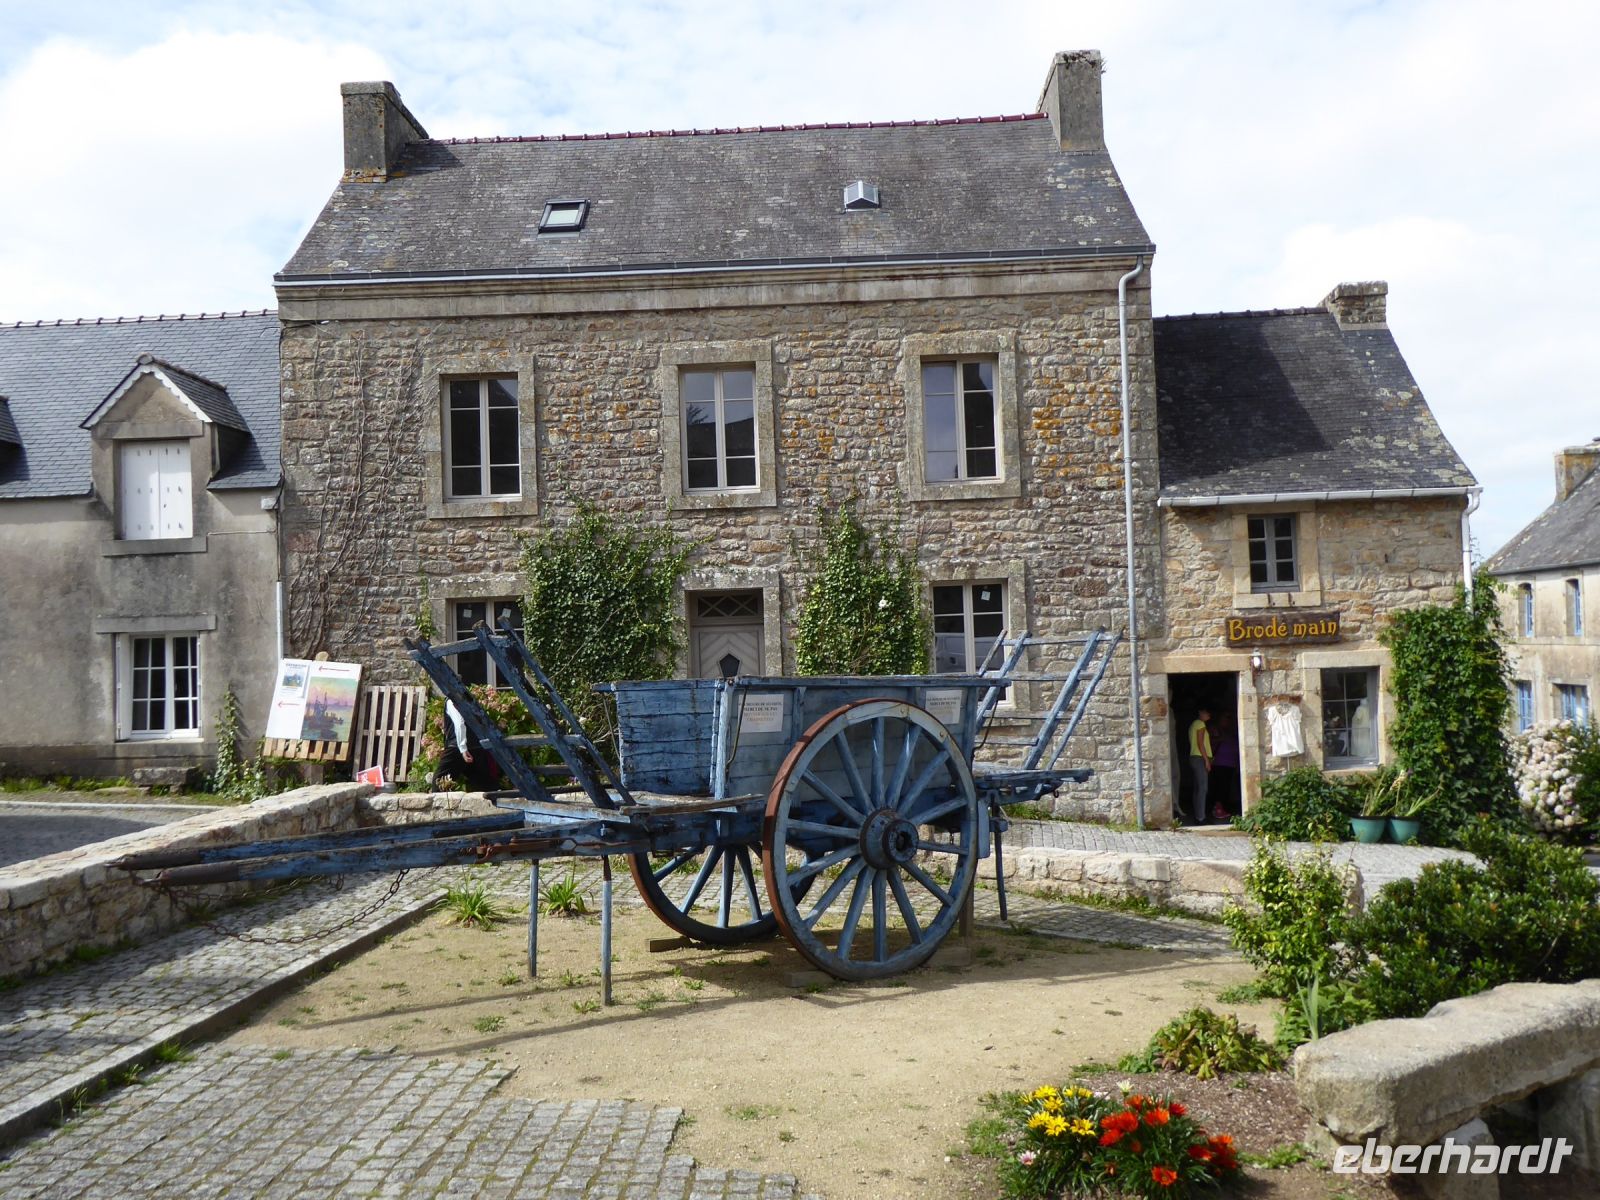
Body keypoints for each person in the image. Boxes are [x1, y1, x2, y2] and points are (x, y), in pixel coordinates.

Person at [434, 697, 499, 793]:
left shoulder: (452, 700)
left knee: (439, 783)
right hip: (476, 746)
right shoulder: (468, 699)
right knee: (486, 786)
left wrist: (463, 748)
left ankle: (437, 808)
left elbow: (460, 723)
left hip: (457, 748)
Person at [1210, 712, 1240, 820]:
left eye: (1228, 719)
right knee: (1220, 787)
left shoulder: (1231, 732)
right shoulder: (1215, 729)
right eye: (1225, 718)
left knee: (1226, 788)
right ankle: (1217, 809)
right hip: (1219, 763)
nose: (1226, 721)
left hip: (1230, 764)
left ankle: (1223, 808)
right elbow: (1210, 741)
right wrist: (1221, 738)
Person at [1187, 706, 1212, 825]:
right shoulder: (1200, 724)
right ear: (1200, 712)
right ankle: (1201, 817)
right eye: (1206, 711)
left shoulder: (1193, 724)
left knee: (1197, 788)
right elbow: (1200, 743)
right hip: (1199, 758)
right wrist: (1207, 760)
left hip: (1194, 757)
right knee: (1203, 788)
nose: (1208, 714)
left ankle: (1198, 815)